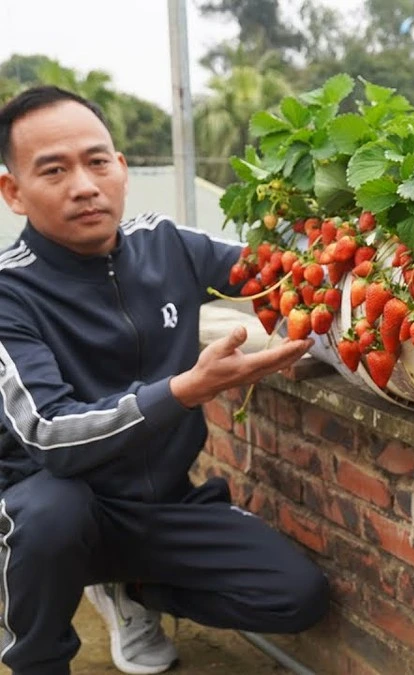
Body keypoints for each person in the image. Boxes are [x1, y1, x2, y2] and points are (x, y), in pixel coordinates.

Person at [0, 86, 330, 675]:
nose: (83, 184)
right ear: (13, 192)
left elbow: (274, 272)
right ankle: (38, 659)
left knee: (296, 594)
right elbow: (47, 432)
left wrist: (354, 252)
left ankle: (135, 591)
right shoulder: (10, 292)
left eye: (97, 161)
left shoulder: (166, 244)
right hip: (66, 508)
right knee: (51, 518)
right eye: (54, 170)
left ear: (121, 169)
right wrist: (185, 389)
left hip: (163, 505)